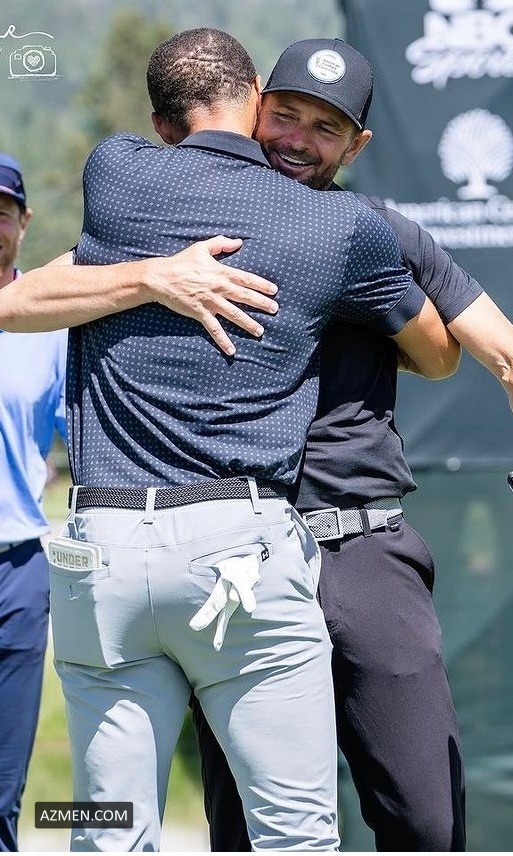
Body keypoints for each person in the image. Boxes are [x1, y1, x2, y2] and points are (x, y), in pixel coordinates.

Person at [0, 28, 459, 853]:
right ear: (253, 102)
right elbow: (436, 353)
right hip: (237, 549)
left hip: (100, 550)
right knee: (293, 832)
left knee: (105, 828)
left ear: (160, 120)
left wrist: (147, 276)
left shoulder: (115, 171)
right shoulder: (338, 225)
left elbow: (16, 302)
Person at [189, 38, 513, 853]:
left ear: (356, 145)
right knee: (246, 831)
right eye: (285, 115)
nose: (297, 139)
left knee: (426, 823)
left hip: (363, 549)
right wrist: (153, 277)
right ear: (252, 108)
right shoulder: (184, 220)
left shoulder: (380, 232)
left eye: (324, 127)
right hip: (236, 555)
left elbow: (502, 352)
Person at [0, 153, 67, 851]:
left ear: (23, 222)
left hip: (19, 570)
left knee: (4, 784)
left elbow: (84, 435)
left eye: (0, 211)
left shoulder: (51, 326)